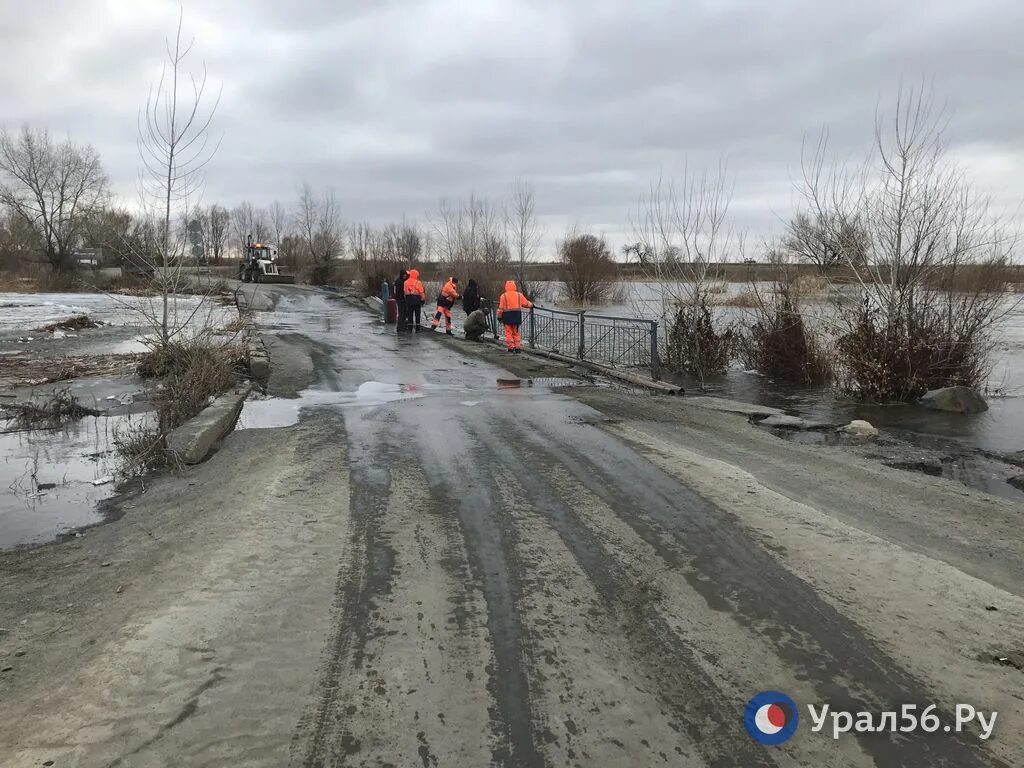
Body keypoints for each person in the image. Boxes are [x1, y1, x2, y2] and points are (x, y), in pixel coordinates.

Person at [497, 280, 533, 353]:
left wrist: (499, 316)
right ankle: (517, 347)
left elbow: (500, 309)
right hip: (517, 316)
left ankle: (511, 347)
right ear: (514, 286)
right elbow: (526, 303)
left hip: (507, 317)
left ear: (506, 287)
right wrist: (532, 305)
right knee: (516, 332)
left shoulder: (503, 296)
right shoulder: (519, 295)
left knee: (508, 332)